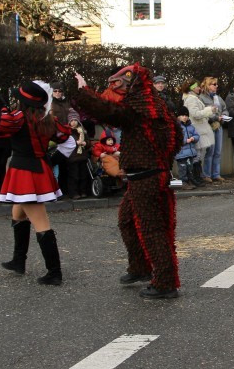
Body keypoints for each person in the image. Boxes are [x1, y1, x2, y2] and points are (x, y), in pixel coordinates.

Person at [75, 64, 183, 299]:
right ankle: (140, 267)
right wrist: (164, 161)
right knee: (127, 221)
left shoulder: (141, 109)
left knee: (153, 229)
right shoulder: (156, 108)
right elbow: (177, 135)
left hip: (147, 178)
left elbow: (109, 112)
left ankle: (165, 282)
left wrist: (84, 91)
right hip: (146, 176)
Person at [0, 80, 75, 285]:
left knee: (41, 223)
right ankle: (18, 261)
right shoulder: (48, 119)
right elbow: (70, 142)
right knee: (18, 214)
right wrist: (51, 160)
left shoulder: (20, 118)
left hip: (25, 174)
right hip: (34, 170)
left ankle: (54, 273)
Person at [181, 80, 215, 183]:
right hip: (198, 129)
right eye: (197, 87)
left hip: (200, 128)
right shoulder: (191, 99)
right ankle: (195, 177)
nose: (199, 88)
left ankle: (197, 177)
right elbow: (195, 114)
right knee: (197, 154)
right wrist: (209, 110)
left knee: (199, 154)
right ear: (192, 88)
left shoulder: (193, 98)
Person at [200, 76, 227, 183]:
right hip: (208, 127)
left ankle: (216, 174)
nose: (216, 86)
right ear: (208, 85)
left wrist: (224, 116)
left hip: (219, 127)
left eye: (216, 84)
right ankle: (207, 175)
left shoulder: (218, 98)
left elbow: (225, 109)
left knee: (218, 152)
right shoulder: (201, 98)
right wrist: (215, 118)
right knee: (209, 151)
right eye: (214, 84)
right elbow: (202, 113)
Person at [174, 106, 202, 190]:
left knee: (190, 168)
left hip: (190, 152)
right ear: (179, 116)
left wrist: (193, 138)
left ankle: (190, 181)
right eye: (182, 115)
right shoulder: (177, 127)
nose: (185, 117)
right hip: (181, 153)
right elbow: (176, 139)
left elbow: (197, 135)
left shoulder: (191, 126)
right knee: (183, 168)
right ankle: (183, 182)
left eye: (186, 115)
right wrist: (186, 141)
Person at [65, 116, 90, 198]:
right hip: (72, 157)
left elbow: (88, 142)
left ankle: (83, 191)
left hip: (82, 156)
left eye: (75, 120)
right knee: (74, 176)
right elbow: (65, 144)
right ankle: (74, 193)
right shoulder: (67, 132)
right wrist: (76, 143)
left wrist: (85, 143)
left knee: (83, 175)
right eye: (71, 120)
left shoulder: (82, 131)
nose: (73, 122)